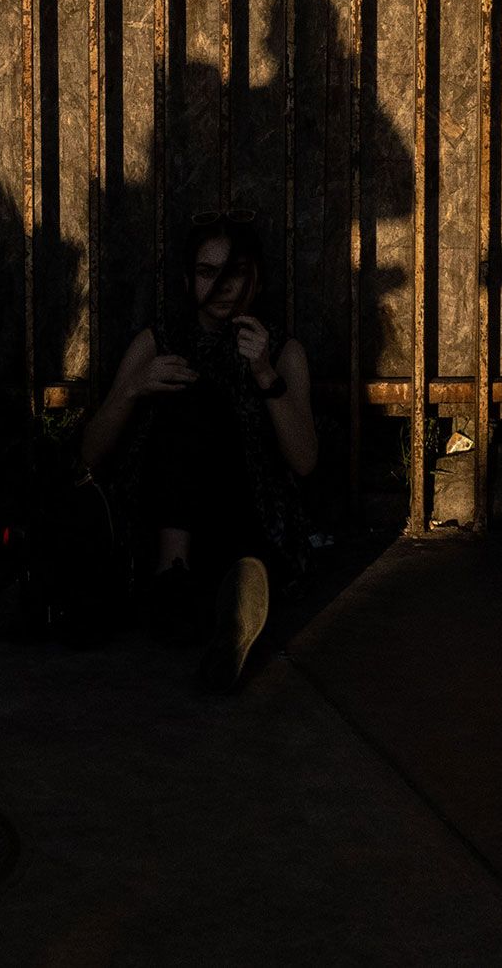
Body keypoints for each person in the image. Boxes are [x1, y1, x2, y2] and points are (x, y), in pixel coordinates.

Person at [82, 213, 317, 691]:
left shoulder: (283, 351)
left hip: (248, 514)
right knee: (190, 400)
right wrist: (132, 390)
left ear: (257, 279)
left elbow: (305, 461)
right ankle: (181, 581)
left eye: (235, 271)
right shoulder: (157, 343)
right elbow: (88, 456)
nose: (223, 285)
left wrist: (266, 376)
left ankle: (216, 598)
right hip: (162, 517)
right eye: (209, 272)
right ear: (189, 282)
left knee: (215, 416)